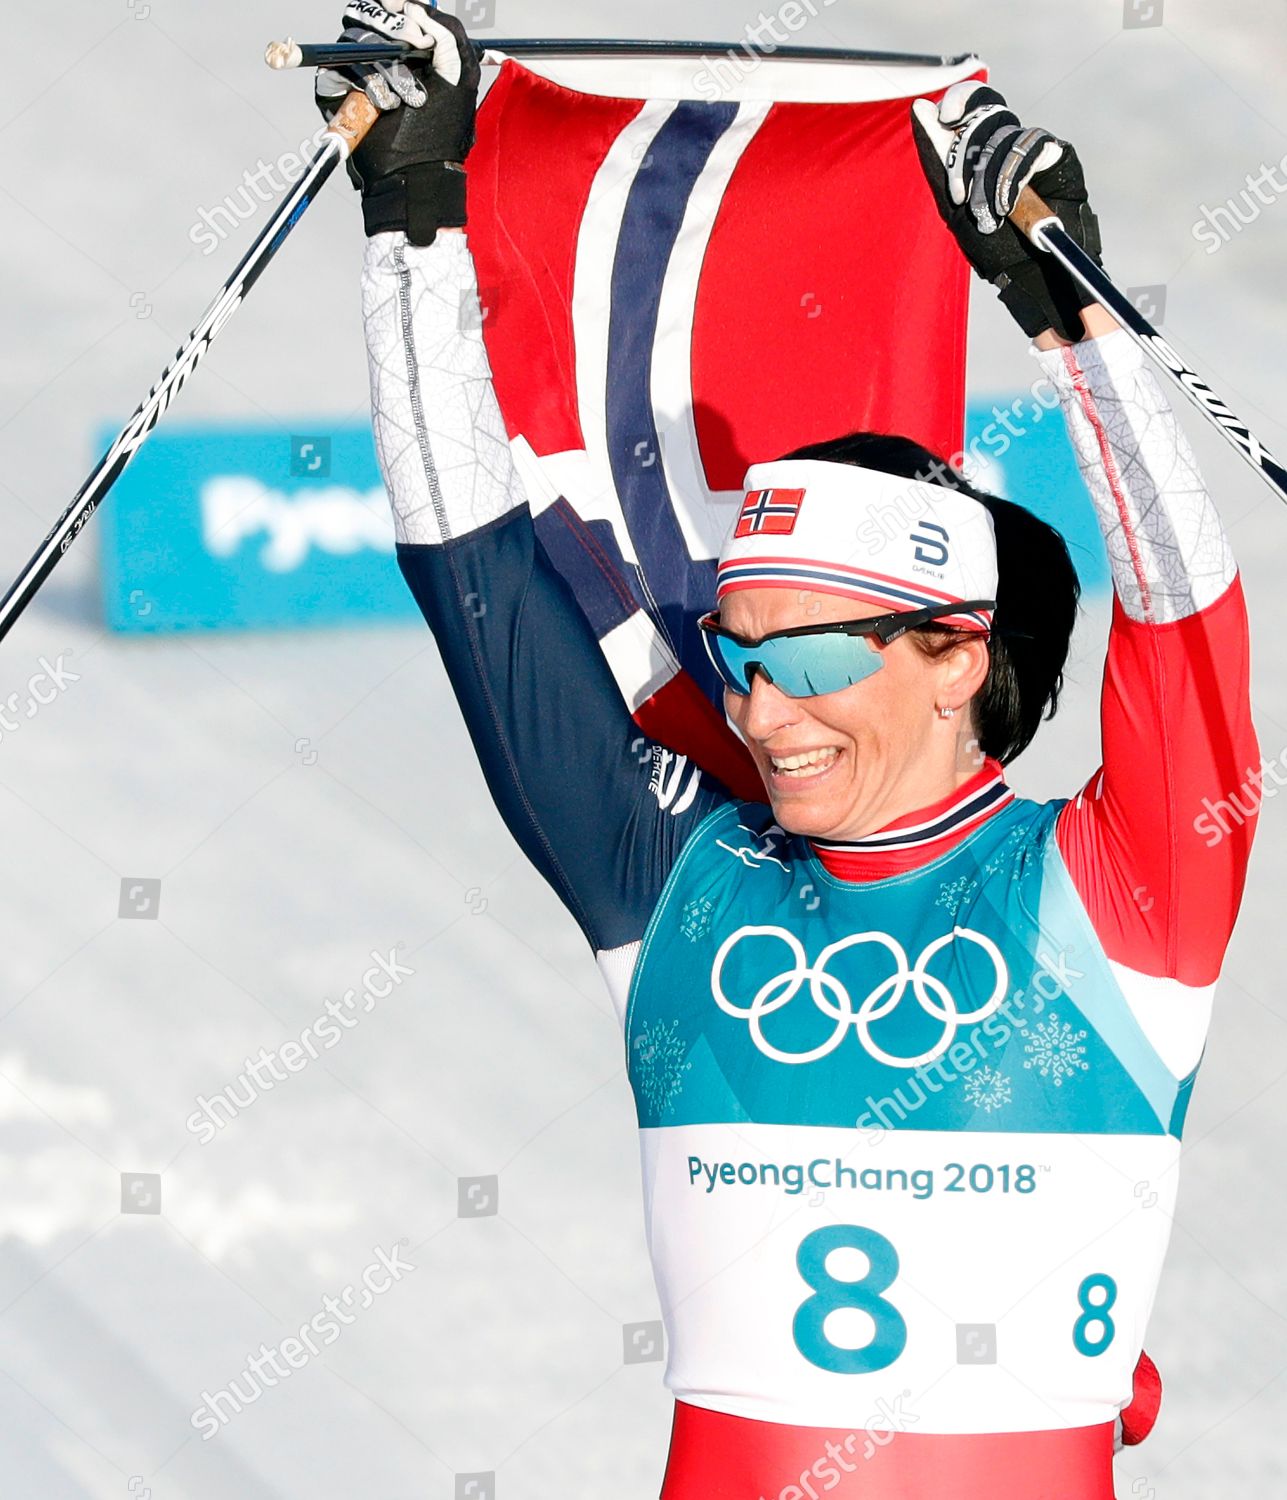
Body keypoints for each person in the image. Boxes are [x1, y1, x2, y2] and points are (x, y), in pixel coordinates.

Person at [319, 6, 1260, 1496]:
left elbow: (1186, 620)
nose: (762, 712)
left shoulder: (1125, 896)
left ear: (957, 654)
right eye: (742, 659)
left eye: (815, 660)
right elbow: (476, 574)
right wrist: (414, 216)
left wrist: (1069, 309)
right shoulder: (670, 877)